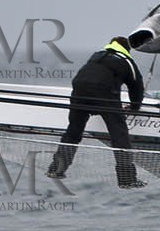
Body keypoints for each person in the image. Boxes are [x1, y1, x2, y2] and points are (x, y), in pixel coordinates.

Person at [46, 36, 145, 188]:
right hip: (103, 91)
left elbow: (90, 76)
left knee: (73, 132)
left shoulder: (97, 55)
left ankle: (56, 169)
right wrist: (134, 107)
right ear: (127, 49)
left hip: (79, 88)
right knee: (119, 136)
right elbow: (136, 87)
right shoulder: (126, 61)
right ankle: (127, 180)